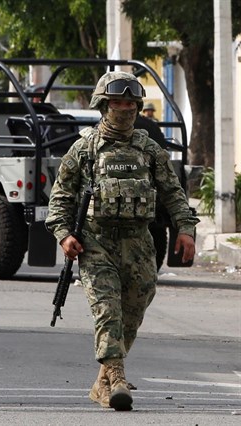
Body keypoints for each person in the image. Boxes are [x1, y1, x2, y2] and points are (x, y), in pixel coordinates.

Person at [45, 71, 198, 411]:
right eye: (117, 102)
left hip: (139, 243)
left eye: (131, 103)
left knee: (135, 305)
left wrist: (186, 229)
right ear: (103, 105)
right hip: (96, 242)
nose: (125, 108)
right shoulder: (85, 148)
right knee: (107, 310)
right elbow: (60, 198)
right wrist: (64, 234)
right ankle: (115, 378)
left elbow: (173, 194)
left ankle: (102, 380)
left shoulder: (149, 149)